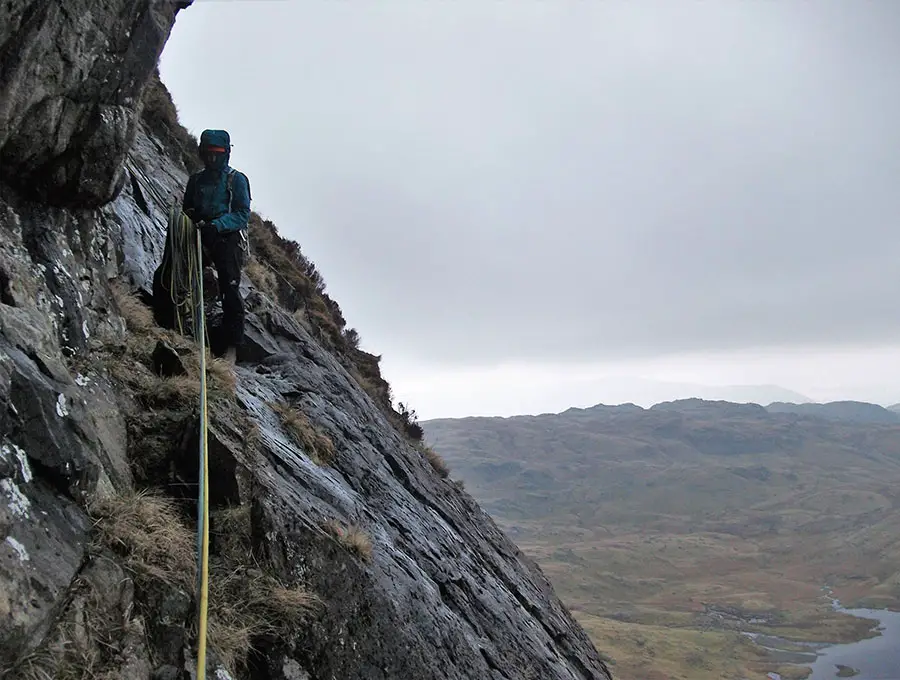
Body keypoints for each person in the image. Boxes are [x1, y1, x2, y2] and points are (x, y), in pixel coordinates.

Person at [182, 129, 251, 363]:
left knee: (230, 288)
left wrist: (219, 225)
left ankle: (231, 346)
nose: (212, 158)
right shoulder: (197, 180)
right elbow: (187, 207)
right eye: (208, 153)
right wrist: (193, 218)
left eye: (217, 154)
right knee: (183, 274)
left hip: (226, 238)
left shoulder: (236, 179)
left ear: (226, 153)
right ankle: (183, 324)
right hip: (200, 233)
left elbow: (242, 213)